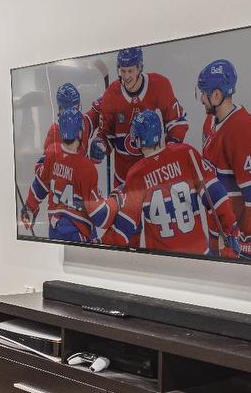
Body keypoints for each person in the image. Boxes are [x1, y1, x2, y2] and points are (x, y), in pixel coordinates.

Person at [105, 109, 237, 255]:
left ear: (137, 140)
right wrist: (230, 230)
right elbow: (216, 194)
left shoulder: (136, 174)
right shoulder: (186, 153)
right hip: (199, 255)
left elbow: (125, 226)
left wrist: (100, 243)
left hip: (163, 261)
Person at [197, 59, 251, 259]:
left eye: (203, 93)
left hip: (238, 244)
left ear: (216, 95)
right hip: (219, 233)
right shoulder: (210, 121)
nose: (201, 99)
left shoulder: (242, 129)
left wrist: (250, 243)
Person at [86, 47, 187, 190]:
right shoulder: (111, 94)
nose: (126, 77)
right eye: (122, 71)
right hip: (124, 179)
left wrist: (169, 152)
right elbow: (106, 135)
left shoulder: (159, 85)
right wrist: (99, 145)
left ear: (140, 68)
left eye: (130, 71)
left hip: (154, 175)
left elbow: (176, 122)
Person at [21, 104, 114, 242]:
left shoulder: (51, 154)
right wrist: (115, 202)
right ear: (80, 133)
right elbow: (100, 216)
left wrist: (29, 207)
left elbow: (40, 184)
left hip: (55, 228)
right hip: (78, 232)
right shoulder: (86, 167)